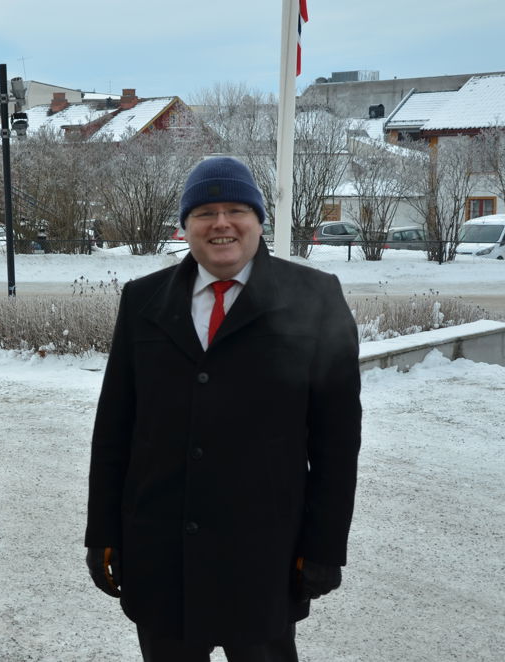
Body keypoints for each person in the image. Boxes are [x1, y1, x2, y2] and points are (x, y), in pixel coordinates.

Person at [84, 156, 361, 661]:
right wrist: (103, 532)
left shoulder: (315, 298)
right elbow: (116, 428)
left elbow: (337, 441)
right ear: (185, 226)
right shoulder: (142, 301)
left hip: (263, 554)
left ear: (259, 220)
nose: (221, 223)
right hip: (162, 549)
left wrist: (324, 546)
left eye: (237, 209)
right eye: (205, 212)